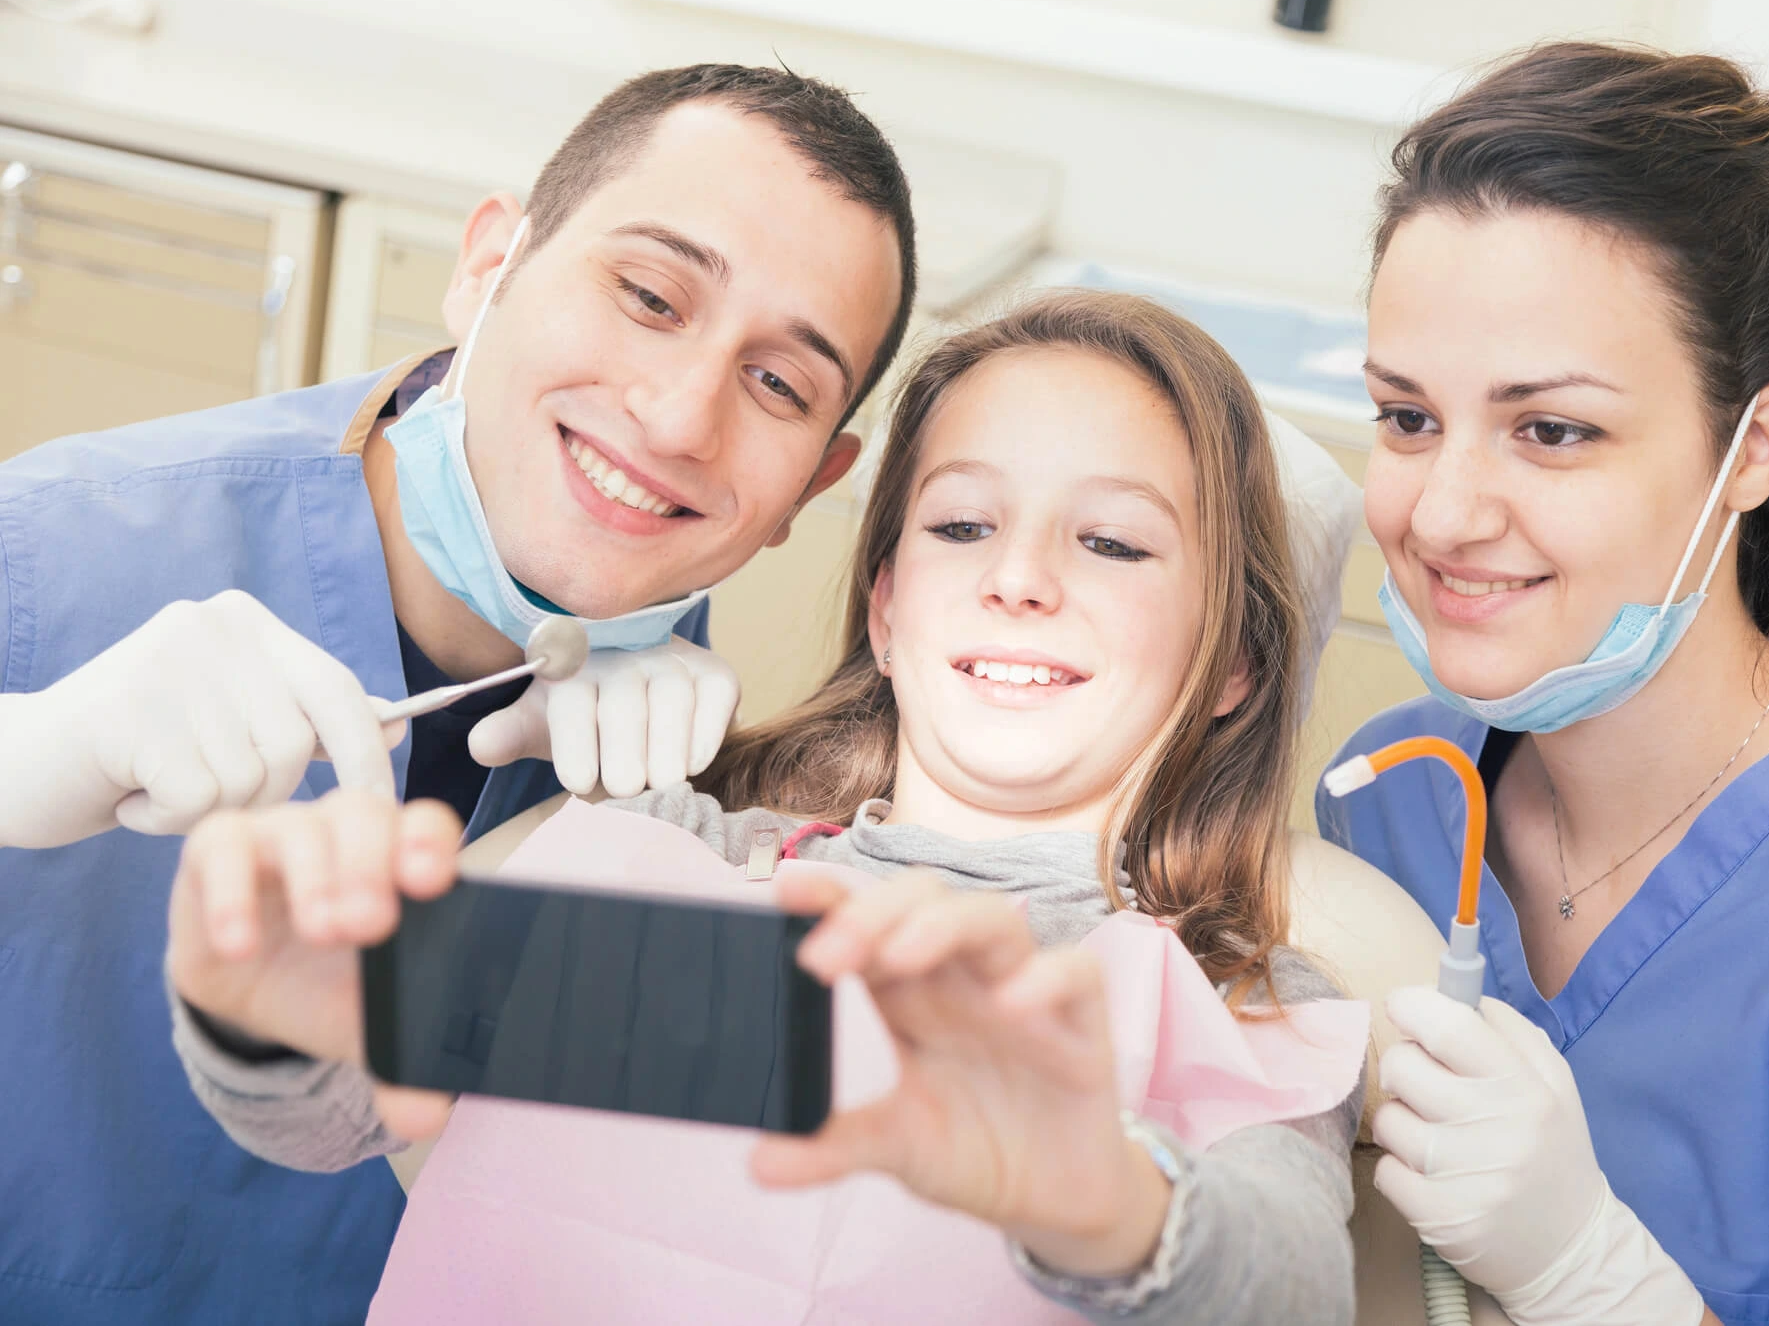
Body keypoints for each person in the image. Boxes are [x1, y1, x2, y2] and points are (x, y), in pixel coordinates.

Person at [163, 291, 1367, 1323]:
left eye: (1111, 542)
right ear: (886, 611)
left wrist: (1107, 1200)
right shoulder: (670, 863)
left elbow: (1295, 1284)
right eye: (961, 525)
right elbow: (337, 1113)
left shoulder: (1237, 1000)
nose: (1016, 577)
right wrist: (271, 1021)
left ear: (1233, 662)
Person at [0, 65, 916, 1323]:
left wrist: (663, 845)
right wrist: (24, 751)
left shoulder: (683, 747)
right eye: (650, 297)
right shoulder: (60, 547)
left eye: (779, 385)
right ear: (489, 265)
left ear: (812, 486)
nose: (678, 418)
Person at [1319, 42, 1769, 1326]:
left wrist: (1591, 1280)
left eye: (1550, 430)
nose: (1441, 513)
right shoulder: (1386, 802)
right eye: (1406, 418)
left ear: (1753, 447)